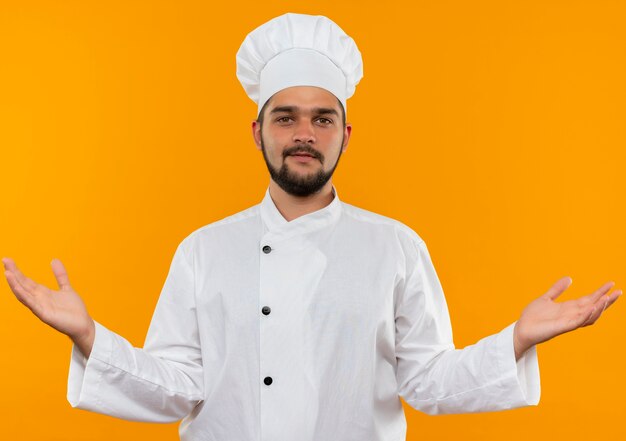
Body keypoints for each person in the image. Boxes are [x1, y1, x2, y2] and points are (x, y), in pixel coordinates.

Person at [2, 12, 621, 441]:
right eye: (287, 117)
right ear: (258, 130)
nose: (304, 133)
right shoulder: (203, 251)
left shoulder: (396, 247)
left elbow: (429, 382)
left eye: (323, 119)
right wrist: (89, 337)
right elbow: (178, 389)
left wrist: (515, 339)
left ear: (344, 134)